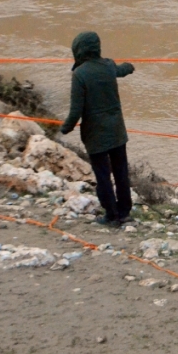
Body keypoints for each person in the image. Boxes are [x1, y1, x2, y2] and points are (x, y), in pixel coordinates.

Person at [60, 32, 135, 227]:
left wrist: (65, 128)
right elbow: (121, 70)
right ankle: (124, 212)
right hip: (118, 131)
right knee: (121, 173)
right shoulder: (108, 65)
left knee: (103, 176)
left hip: (95, 135)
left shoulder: (79, 75)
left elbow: (76, 111)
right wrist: (130, 66)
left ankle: (111, 215)